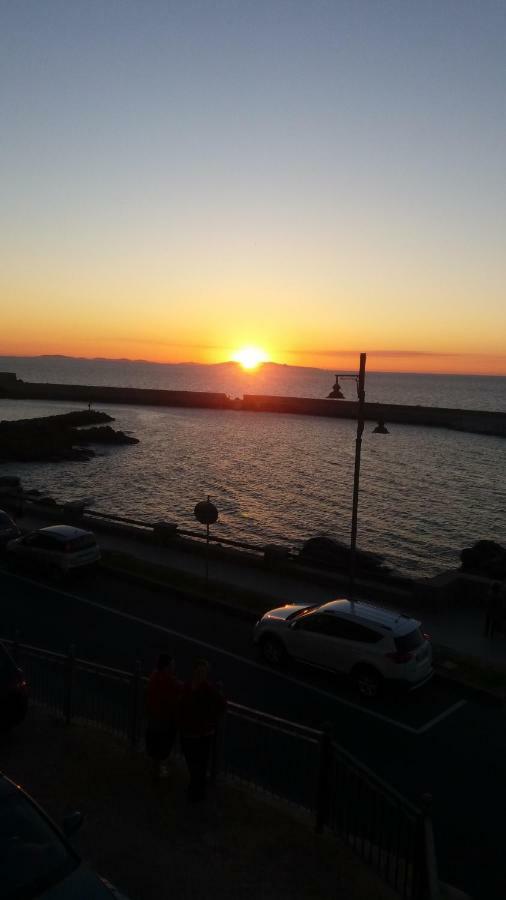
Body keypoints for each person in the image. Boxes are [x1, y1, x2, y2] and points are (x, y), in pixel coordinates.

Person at [179, 658, 226, 802]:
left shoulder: (207, 689)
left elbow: (221, 704)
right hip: (190, 733)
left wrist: (208, 719)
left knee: (199, 766)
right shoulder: (188, 687)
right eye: (199, 672)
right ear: (194, 672)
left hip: (201, 735)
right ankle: (197, 791)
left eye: (204, 673)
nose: (201, 675)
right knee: (194, 765)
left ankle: (196, 793)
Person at [145, 653, 182, 779]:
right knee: (163, 745)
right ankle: (158, 769)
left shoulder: (154, 676)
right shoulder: (169, 680)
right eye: (172, 665)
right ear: (167, 666)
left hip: (154, 716)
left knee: (155, 745)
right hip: (165, 719)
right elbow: (178, 690)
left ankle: (155, 768)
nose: (174, 667)